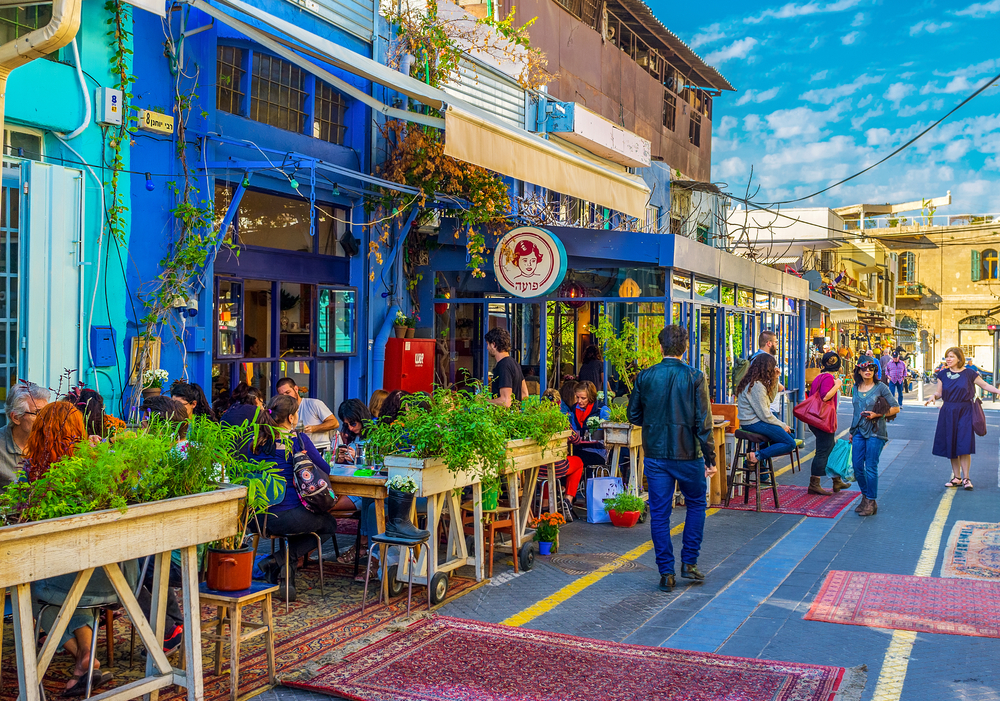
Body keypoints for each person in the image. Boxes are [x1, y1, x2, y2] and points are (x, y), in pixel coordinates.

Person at [25, 402, 137, 695]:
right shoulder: (100, 462)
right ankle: (87, 661)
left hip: (79, 573)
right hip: (121, 574)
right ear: (79, 428)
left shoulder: (41, 470)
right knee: (73, 587)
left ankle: (81, 657)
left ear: (41, 432)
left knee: (28, 592)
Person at [628, 325, 715, 592]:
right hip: (689, 455)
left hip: (655, 456)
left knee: (660, 515)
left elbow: (633, 415)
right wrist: (710, 458)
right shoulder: (695, 376)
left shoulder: (645, 377)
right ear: (686, 347)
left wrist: (652, 424)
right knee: (697, 504)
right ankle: (689, 562)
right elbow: (703, 422)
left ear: (661, 347)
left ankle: (666, 573)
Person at [248, 394, 339, 601]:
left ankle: (283, 573)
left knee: (297, 522)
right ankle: (276, 560)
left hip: (255, 517)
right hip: (288, 516)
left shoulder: (255, 440)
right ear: (291, 418)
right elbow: (324, 468)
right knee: (329, 524)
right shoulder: (298, 440)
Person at [925, 347, 1000, 491]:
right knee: (951, 444)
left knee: (964, 444)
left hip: (965, 411)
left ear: (959, 358)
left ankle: (966, 478)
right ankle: (957, 477)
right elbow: (939, 393)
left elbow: (984, 385)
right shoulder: (943, 374)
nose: (948, 359)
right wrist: (933, 396)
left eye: (952, 356)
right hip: (948, 411)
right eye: (947, 356)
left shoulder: (969, 373)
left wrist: (998, 390)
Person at [850, 359, 900, 516]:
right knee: (857, 466)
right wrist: (852, 431)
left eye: (871, 368)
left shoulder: (881, 387)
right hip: (858, 431)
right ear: (858, 371)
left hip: (876, 431)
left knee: (870, 466)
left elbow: (896, 408)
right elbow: (856, 411)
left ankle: (870, 501)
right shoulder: (855, 388)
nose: (868, 371)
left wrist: (877, 414)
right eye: (864, 369)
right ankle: (866, 497)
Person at [736, 353, 796, 477]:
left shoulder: (754, 382)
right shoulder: (756, 386)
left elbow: (770, 399)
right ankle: (756, 456)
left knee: (791, 434)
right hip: (754, 423)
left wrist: (775, 378)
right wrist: (782, 425)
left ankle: (755, 454)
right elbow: (765, 415)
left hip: (753, 421)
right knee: (790, 443)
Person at [805, 352, 847, 495]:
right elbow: (825, 396)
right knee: (823, 451)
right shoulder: (829, 378)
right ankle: (814, 483)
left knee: (830, 448)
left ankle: (836, 480)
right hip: (823, 420)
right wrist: (838, 384)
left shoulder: (819, 376)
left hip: (816, 418)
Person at [0, 381, 50, 488]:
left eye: (47, 413)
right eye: (38, 413)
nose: (45, 419)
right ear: (16, 418)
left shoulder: (52, 443)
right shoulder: (2, 447)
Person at [275, 377, 339, 453]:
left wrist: (313, 428)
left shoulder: (314, 404)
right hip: (297, 452)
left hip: (320, 449)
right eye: (282, 395)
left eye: (288, 392)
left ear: (296, 389)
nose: (286, 397)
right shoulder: (283, 411)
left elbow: (335, 423)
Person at [566, 380, 610, 472]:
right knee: (563, 461)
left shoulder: (602, 409)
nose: (579, 401)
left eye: (583, 398)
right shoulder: (574, 408)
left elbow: (610, 434)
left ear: (591, 397)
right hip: (579, 449)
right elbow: (573, 430)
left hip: (597, 451)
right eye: (577, 397)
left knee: (570, 462)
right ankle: (565, 486)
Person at [485, 327, 528, 407]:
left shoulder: (503, 366)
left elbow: (506, 401)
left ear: (494, 344)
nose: (487, 348)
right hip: (515, 416)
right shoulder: (514, 363)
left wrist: (485, 401)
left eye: (488, 344)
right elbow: (524, 394)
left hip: (504, 418)